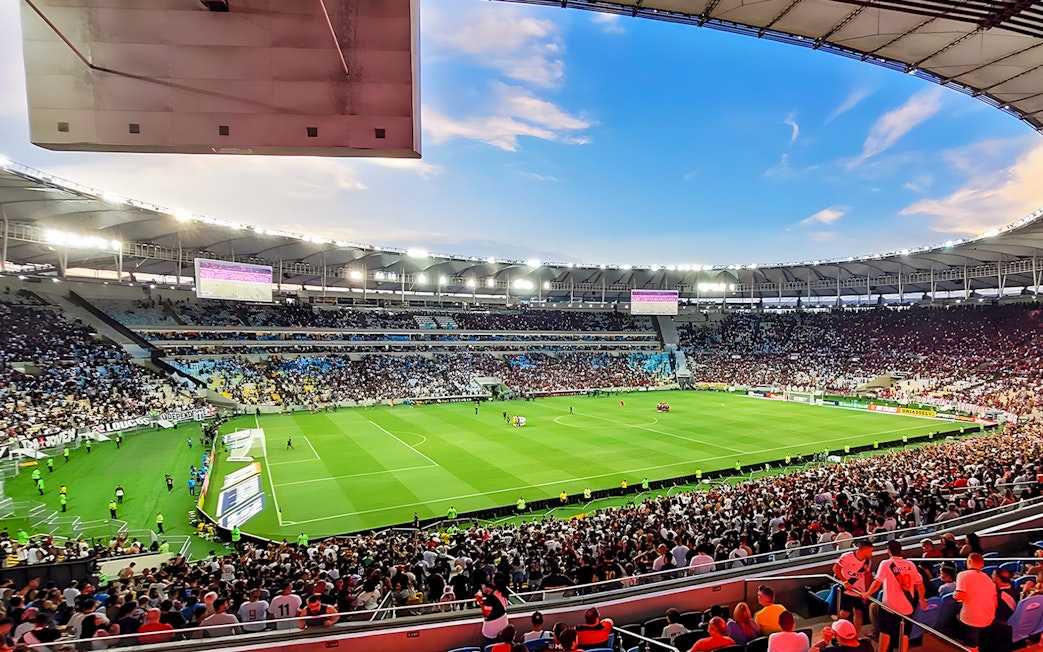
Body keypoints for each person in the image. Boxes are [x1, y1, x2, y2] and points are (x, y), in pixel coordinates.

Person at [864, 540, 926, 652]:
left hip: (890, 607)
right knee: (904, 633)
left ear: (889, 551)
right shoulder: (910, 564)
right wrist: (921, 598)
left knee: (885, 631)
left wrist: (867, 593)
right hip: (907, 607)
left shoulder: (885, 564)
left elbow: (877, 583)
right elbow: (920, 585)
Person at [954, 553, 996, 652]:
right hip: (989, 618)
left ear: (969, 562)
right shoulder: (988, 578)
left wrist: (954, 595)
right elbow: (994, 600)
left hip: (972, 619)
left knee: (971, 647)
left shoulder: (962, 575)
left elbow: (960, 597)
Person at [833, 541, 873, 634]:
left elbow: (867, 575)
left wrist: (866, 592)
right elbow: (836, 569)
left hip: (860, 591)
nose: (871, 554)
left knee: (858, 613)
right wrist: (845, 581)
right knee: (845, 612)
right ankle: (836, 631)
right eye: (870, 551)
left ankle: (855, 635)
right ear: (863, 549)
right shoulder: (847, 556)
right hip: (848, 590)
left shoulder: (868, 561)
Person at [477, 572, 510, 641]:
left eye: (492, 579)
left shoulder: (491, 597)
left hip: (492, 627)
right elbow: (498, 595)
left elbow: (486, 613)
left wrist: (480, 600)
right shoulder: (505, 591)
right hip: (504, 622)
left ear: (494, 582)